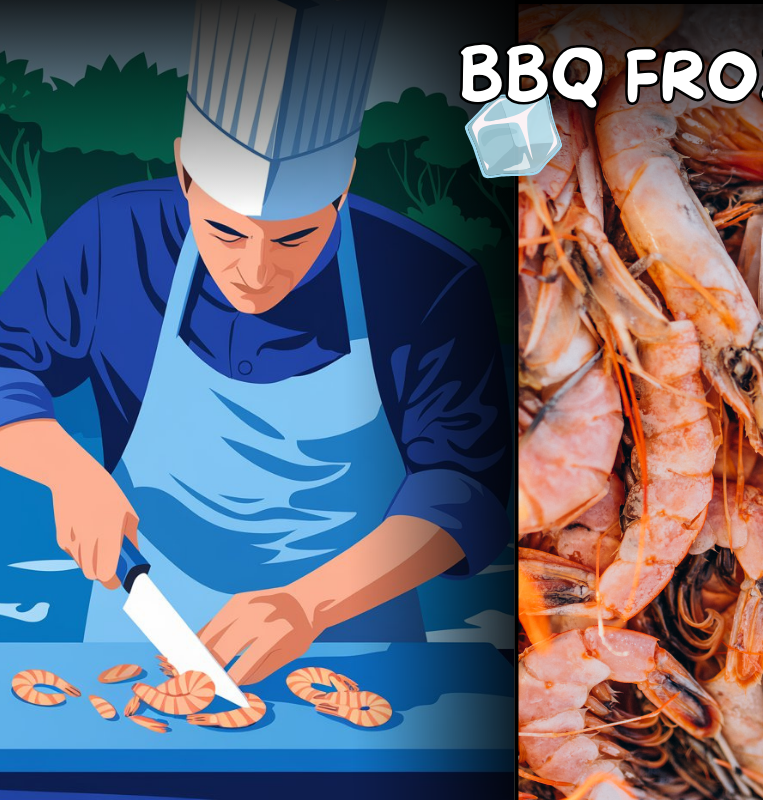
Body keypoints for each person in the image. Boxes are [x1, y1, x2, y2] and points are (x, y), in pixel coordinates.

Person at [0, 0, 509, 685]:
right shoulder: (113, 240)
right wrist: (66, 470)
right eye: (225, 232)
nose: (256, 271)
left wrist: (308, 605)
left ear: (345, 186)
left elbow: (466, 487)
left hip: (359, 638)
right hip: (137, 633)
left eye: (297, 237)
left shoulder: (429, 280)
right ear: (183, 173)